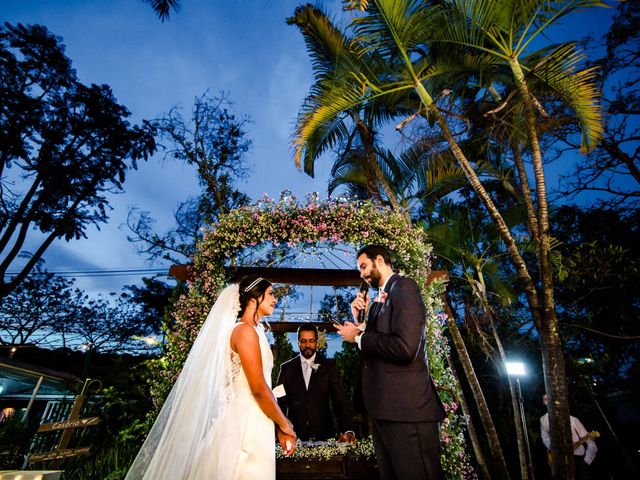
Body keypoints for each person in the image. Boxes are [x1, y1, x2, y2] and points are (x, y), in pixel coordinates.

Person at [126, 276, 296, 480]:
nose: (275, 299)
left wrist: (277, 424)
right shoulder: (244, 332)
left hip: (258, 417)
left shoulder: (254, 331)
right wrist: (285, 425)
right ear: (254, 297)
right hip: (246, 422)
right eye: (270, 294)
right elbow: (258, 388)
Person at [336, 244, 445, 480]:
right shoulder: (379, 300)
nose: (362, 274)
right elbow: (378, 344)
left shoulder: (404, 287)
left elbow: (405, 348)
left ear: (380, 260)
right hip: (385, 411)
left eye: (364, 266)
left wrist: (357, 336)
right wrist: (360, 322)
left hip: (407, 412)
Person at [276, 322, 356, 442]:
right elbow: (279, 403)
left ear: (316, 342)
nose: (308, 345)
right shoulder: (286, 368)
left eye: (311, 341)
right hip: (294, 435)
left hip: (324, 435)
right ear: (298, 343)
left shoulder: (329, 367)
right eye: (303, 341)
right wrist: (279, 431)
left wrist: (348, 430)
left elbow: (339, 401)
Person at [540, 393, 597, 480]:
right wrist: (554, 449)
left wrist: (586, 461)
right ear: (543, 403)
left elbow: (590, 442)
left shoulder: (573, 420)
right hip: (558, 461)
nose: (547, 400)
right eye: (545, 399)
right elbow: (545, 438)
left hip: (578, 460)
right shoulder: (543, 420)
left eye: (549, 398)